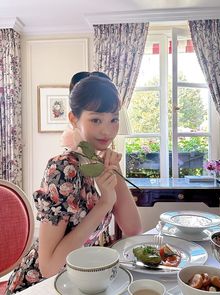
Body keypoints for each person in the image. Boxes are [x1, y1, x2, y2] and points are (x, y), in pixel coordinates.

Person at [5, 71, 142, 294]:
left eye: (113, 119)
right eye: (96, 119)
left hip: (75, 281)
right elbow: (49, 267)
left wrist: (113, 172)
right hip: (41, 286)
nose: (107, 130)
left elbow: (133, 228)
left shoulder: (96, 163)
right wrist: (104, 205)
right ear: (73, 119)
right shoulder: (63, 168)